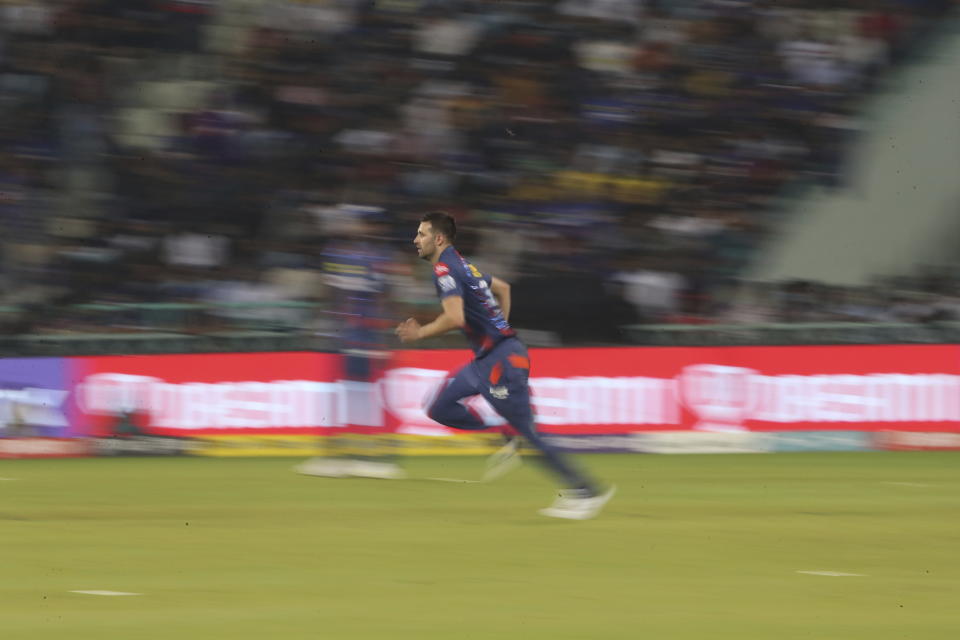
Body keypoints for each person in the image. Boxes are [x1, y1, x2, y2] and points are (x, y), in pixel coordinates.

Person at [396, 211, 615, 520]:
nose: (415, 240)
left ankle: (586, 491)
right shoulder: (464, 265)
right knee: (438, 406)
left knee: (529, 435)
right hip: (487, 358)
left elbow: (455, 317)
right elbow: (504, 288)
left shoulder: (446, 268)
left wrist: (421, 332)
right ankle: (502, 431)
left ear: (439, 238)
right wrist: (500, 327)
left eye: (421, 234)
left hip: (501, 361)